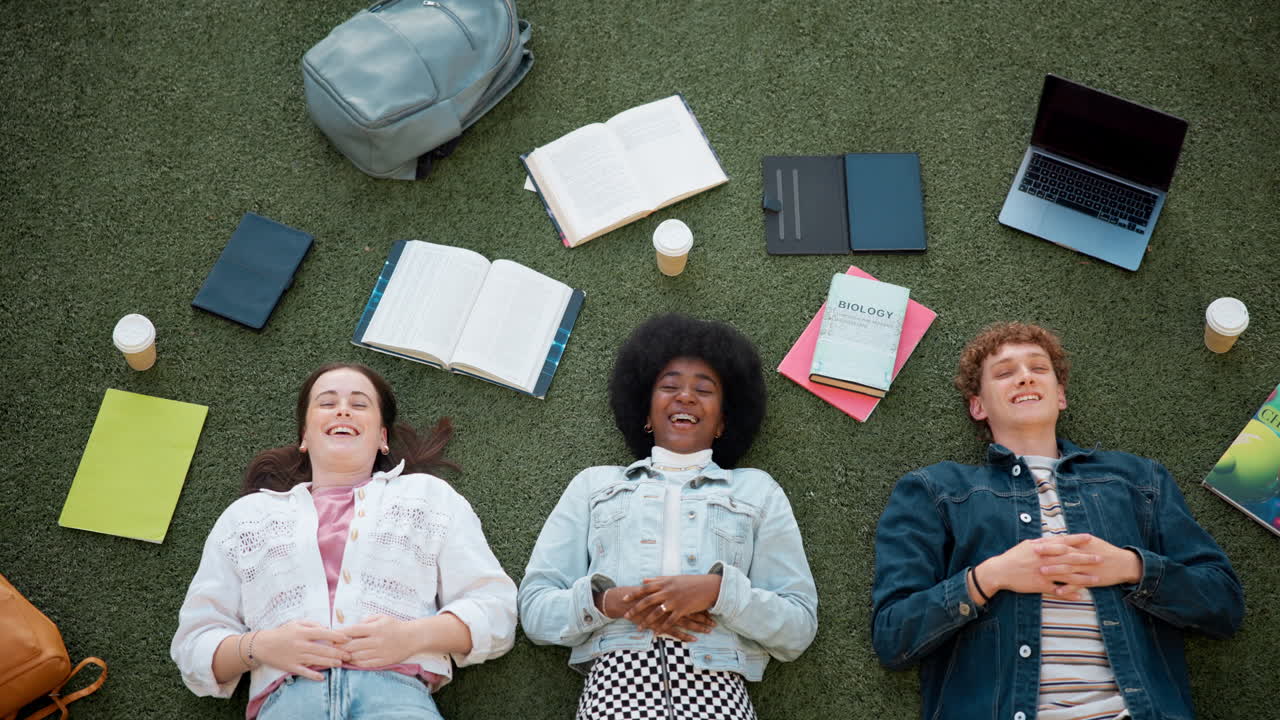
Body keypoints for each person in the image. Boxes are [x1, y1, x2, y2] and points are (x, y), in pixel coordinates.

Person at [871, 322, 1244, 720]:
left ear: (1061, 395)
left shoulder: (1138, 481)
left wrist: (1130, 567)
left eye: (1038, 367)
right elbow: (893, 637)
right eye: (1004, 372)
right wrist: (990, 577)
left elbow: (1224, 605)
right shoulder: (934, 491)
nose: (1025, 377)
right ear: (978, 406)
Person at [171, 363, 516, 719]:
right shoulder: (246, 518)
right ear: (305, 436)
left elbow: (496, 611)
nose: (343, 410)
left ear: (382, 437)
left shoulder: (429, 498)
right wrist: (260, 647)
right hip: (287, 703)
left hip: (397, 697)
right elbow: (193, 646)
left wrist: (411, 637)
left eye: (359, 403)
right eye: (327, 402)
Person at [519, 313, 818, 720]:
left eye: (704, 389)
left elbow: (798, 628)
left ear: (723, 422)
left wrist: (718, 593)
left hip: (719, 701)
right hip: (612, 698)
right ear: (645, 413)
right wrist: (609, 602)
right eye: (669, 386)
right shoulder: (593, 485)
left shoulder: (757, 491)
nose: (686, 397)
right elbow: (534, 610)